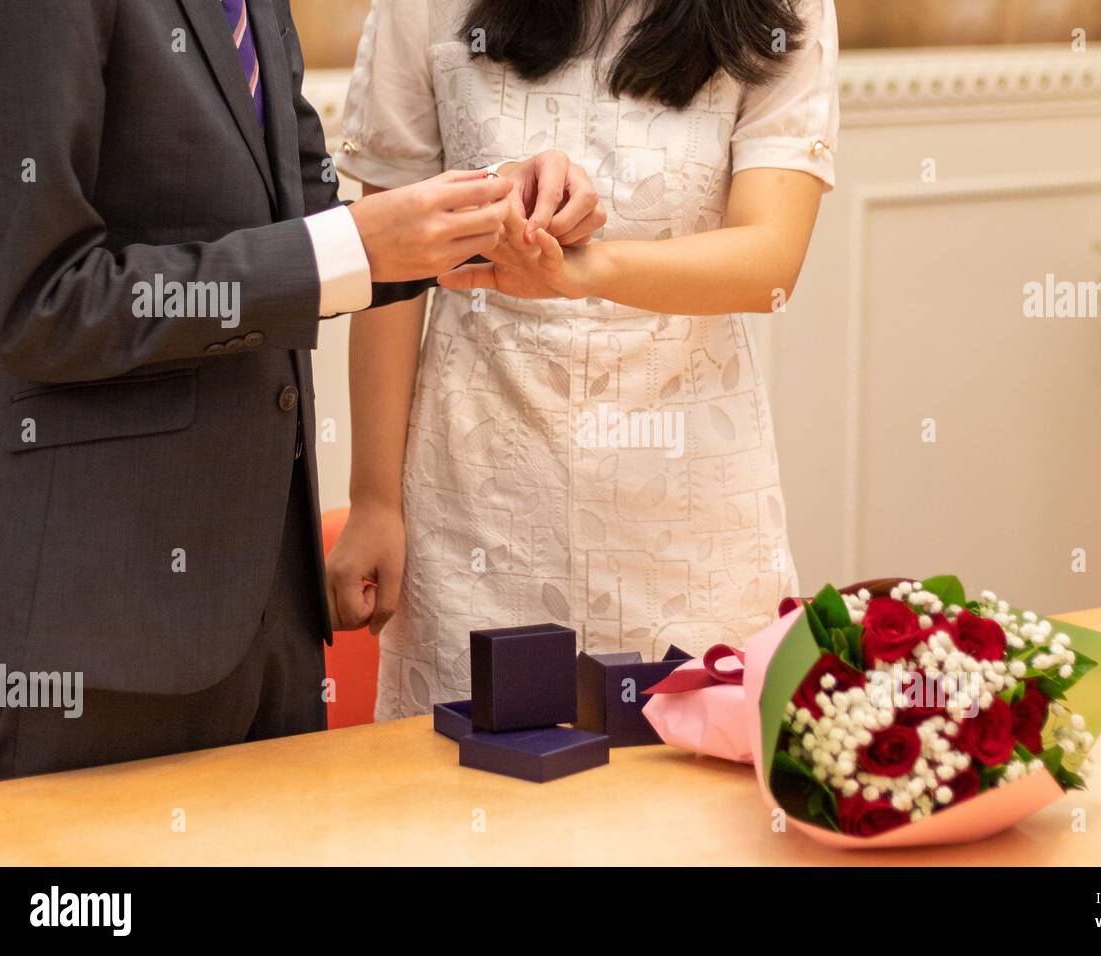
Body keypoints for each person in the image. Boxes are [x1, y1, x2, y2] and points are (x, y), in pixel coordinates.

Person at [0, 0, 598, 781]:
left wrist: (491, 204)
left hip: (278, 619)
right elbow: (39, 303)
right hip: (104, 631)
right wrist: (339, 249)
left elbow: (311, 223)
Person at [328, 0, 840, 718]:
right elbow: (390, 267)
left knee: (690, 799)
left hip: (689, 502)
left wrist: (586, 272)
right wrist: (375, 499)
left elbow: (772, 261)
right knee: (466, 796)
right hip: (477, 499)